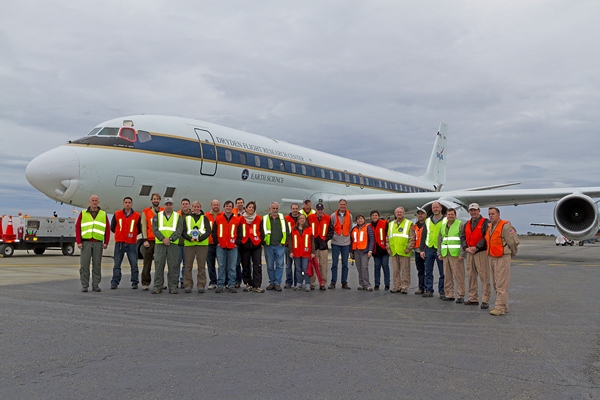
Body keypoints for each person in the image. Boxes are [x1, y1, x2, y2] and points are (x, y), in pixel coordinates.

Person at [485, 207, 519, 316]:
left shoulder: (506, 226)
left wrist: (512, 252)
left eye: (493, 214)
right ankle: (504, 306)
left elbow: (514, 241)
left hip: (502, 256)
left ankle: (499, 307)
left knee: (501, 282)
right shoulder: (490, 227)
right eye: (489, 214)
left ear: (498, 214)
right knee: (496, 282)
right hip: (493, 256)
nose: (491, 216)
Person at [76, 195, 110, 292]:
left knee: (97, 265)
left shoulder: (103, 214)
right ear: (89, 202)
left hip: (98, 243)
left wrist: (106, 242)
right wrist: (78, 241)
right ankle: (84, 285)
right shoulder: (83, 213)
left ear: (98, 202)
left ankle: (95, 284)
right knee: (84, 265)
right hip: (86, 242)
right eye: (92, 201)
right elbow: (78, 227)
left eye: (96, 201)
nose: (94, 202)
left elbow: (107, 229)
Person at [460, 203, 491, 308]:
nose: (473, 212)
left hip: (480, 252)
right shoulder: (467, 223)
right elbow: (462, 237)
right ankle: (473, 298)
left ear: (479, 211)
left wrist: (477, 247)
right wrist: (465, 248)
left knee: (484, 276)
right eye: (471, 210)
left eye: (475, 210)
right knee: (471, 276)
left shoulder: (485, 222)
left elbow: (487, 236)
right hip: (469, 252)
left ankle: (485, 299)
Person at [152, 198, 183, 294]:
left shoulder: (177, 216)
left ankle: (172, 287)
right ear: (164, 205)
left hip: (172, 244)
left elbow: (179, 229)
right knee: (159, 265)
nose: (168, 206)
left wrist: (170, 239)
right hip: (160, 244)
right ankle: (157, 286)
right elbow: (155, 229)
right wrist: (163, 239)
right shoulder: (157, 216)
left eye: (170, 204)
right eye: (166, 204)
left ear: (172, 205)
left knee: (173, 265)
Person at [110, 197, 142, 290]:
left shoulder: (137, 215)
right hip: (120, 243)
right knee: (117, 264)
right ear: (123, 204)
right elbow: (113, 227)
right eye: (126, 202)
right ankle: (115, 282)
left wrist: (132, 234)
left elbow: (139, 228)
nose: (127, 204)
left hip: (131, 243)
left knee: (134, 264)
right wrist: (120, 234)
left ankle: (135, 282)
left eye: (129, 202)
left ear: (132, 204)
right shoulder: (117, 214)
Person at [181, 201, 212, 293]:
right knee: (188, 266)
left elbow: (208, 231)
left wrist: (200, 238)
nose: (196, 208)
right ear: (192, 207)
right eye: (194, 207)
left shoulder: (204, 218)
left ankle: (201, 285)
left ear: (200, 207)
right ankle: (188, 285)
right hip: (189, 244)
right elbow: (183, 231)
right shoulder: (187, 218)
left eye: (198, 207)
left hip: (202, 245)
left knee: (201, 266)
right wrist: (189, 238)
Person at [437, 208, 466, 303]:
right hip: (446, 254)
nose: (450, 216)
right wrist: (439, 253)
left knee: (459, 276)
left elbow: (462, 239)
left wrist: (462, 253)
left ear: (455, 215)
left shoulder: (459, 224)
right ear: (446, 215)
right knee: (447, 276)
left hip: (456, 254)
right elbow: (440, 240)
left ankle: (461, 295)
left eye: (452, 214)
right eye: (448, 214)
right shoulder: (443, 226)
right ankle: (449, 294)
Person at [212, 200, 239, 293]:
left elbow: (240, 232)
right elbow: (214, 232)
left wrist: (237, 243)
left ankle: (231, 284)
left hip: (232, 246)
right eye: (227, 206)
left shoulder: (236, 220)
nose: (228, 208)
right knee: (221, 266)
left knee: (232, 267)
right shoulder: (219, 219)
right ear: (224, 207)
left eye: (230, 206)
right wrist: (216, 242)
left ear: (232, 208)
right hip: (221, 246)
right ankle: (220, 285)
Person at [236, 201, 264, 293]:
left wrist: (260, 241)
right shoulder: (240, 219)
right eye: (249, 207)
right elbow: (238, 231)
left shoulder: (259, 219)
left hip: (256, 245)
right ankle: (248, 284)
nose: (251, 209)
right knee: (245, 265)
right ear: (246, 208)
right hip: (245, 245)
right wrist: (240, 242)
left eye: (253, 207)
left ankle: (257, 285)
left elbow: (262, 231)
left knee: (257, 266)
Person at [386, 207, 415, 294]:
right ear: (395, 214)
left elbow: (412, 238)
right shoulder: (391, 224)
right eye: (398, 212)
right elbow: (388, 237)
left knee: (405, 270)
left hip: (404, 251)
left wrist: (408, 248)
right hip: (394, 251)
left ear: (404, 214)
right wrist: (388, 248)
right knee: (396, 270)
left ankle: (404, 287)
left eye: (401, 212)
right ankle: (397, 286)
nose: (399, 214)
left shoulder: (409, 224)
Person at [419, 201, 445, 298]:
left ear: (441, 208)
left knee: (442, 271)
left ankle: (442, 291)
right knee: (428, 270)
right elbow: (424, 235)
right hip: (429, 248)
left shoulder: (445, 220)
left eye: (437, 207)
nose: (435, 209)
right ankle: (429, 290)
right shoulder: (428, 220)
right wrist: (422, 249)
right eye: (433, 208)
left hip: (441, 248)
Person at [263, 202, 289, 291]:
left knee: (279, 265)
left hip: (279, 246)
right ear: (270, 208)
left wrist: (283, 242)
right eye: (273, 208)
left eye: (276, 208)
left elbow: (287, 230)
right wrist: (264, 242)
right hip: (268, 245)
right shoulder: (265, 218)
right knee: (270, 266)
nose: (275, 210)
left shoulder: (282, 218)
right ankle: (271, 282)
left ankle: (277, 283)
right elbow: (261, 231)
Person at [141, 193, 163, 290]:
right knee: (147, 263)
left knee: (160, 263)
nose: (156, 201)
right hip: (149, 241)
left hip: (160, 241)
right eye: (154, 199)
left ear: (159, 200)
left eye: (157, 199)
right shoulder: (146, 211)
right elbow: (143, 226)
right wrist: (144, 239)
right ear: (151, 200)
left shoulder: (163, 211)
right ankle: (145, 283)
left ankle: (159, 283)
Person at [329, 199, 353, 289]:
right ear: (338, 205)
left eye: (344, 204)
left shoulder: (349, 215)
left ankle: (344, 282)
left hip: (346, 242)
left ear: (346, 205)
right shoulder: (333, 216)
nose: (342, 206)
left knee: (345, 264)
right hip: (335, 242)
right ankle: (333, 282)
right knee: (334, 264)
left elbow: (350, 228)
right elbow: (331, 228)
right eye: (341, 204)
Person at [307, 203, 331, 290]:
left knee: (323, 265)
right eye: (318, 209)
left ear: (323, 210)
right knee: (312, 264)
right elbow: (307, 229)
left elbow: (331, 230)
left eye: (321, 210)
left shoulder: (328, 218)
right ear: (315, 209)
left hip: (323, 245)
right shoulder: (310, 217)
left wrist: (326, 239)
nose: (320, 211)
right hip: (313, 245)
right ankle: (312, 282)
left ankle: (322, 282)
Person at [289, 214, 314, 292]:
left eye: (303, 218)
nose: (302, 220)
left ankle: (307, 284)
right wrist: (291, 251)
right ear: (298, 220)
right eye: (300, 218)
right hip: (296, 252)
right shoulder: (293, 229)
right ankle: (298, 283)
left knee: (305, 268)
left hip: (306, 253)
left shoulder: (309, 229)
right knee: (298, 269)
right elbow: (290, 242)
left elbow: (312, 241)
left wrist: (312, 252)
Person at [351, 214, 374, 291]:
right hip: (356, 251)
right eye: (358, 219)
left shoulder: (368, 227)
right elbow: (352, 241)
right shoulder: (354, 229)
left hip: (365, 251)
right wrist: (351, 251)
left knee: (364, 267)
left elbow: (371, 240)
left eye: (361, 218)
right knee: (359, 268)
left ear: (364, 220)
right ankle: (361, 284)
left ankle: (367, 284)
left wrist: (370, 250)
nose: (360, 220)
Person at [370, 210, 390, 291]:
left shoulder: (385, 223)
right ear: (371, 217)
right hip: (376, 250)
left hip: (384, 249)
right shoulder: (370, 226)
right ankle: (377, 284)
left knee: (385, 266)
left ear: (378, 216)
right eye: (373, 215)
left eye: (376, 215)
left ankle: (387, 284)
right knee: (377, 267)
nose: (374, 217)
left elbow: (389, 234)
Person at [205, 199, 221, 290]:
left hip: (219, 243)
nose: (215, 206)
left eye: (217, 205)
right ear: (211, 205)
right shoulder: (206, 216)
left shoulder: (223, 215)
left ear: (219, 206)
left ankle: (222, 281)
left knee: (221, 264)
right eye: (214, 205)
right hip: (209, 243)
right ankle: (213, 281)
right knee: (210, 264)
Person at [284, 203, 300, 288]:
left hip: (298, 245)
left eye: (296, 208)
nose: (295, 210)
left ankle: (297, 282)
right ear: (291, 209)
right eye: (293, 208)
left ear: (298, 209)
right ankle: (288, 282)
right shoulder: (286, 218)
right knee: (288, 265)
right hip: (288, 245)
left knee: (297, 266)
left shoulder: (302, 218)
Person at [177, 198, 192, 288]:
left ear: (189, 205)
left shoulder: (192, 216)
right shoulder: (176, 215)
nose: (185, 205)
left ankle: (184, 281)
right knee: (177, 263)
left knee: (186, 265)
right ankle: (176, 280)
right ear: (181, 205)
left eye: (186, 204)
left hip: (188, 244)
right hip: (178, 243)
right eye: (183, 204)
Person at [413, 207, 427, 294]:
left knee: (428, 270)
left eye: (422, 214)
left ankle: (428, 288)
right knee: (420, 270)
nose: (420, 215)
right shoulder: (414, 226)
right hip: (417, 250)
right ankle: (421, 287)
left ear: (425, 215)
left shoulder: (428, 225)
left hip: (426, 250)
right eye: (419, 214)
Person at [232, 197, 245, 287]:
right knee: (236, 263)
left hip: (246, 241)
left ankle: (248, 281)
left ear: (243, 204)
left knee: (246, 263)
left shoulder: (248, 213)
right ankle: (237, 281)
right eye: (238, 203)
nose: (240, 204)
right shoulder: (233, 213)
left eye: (241, 202)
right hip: (236, 241)